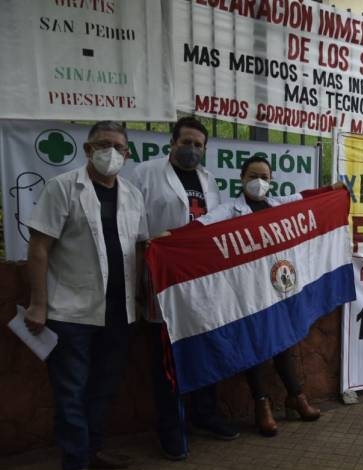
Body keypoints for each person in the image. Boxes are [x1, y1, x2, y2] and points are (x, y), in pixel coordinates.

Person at [24, 121, 148, 470]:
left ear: (127, 153)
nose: (111, 152)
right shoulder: (62, 187)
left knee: (103, 390)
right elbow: (38, 248)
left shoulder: (133, 195)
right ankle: (75, 462)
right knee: (71, 395)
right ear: (87, 149)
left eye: (118, 147)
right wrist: (38, 303)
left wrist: (138, 298)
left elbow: (138, 251)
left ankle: (91, 452)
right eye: (102, 144)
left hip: (119, 313)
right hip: (70, 315)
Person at [195, 155, 346, 437]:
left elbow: (306, 200)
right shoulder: (230, 210)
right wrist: (170, 238)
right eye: (253, 176)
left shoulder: (278, 206)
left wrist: (331, 191)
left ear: (272, 181)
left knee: (282, 343)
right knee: (254, 346)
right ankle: (261, 404)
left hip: (277, 289)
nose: (259, 182)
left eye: (265, 177)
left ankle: (296, 396)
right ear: (242, 178)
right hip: (247, 294)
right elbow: (202, 227)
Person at [129, 116, 238, 460]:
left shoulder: (208, 180)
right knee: (168, 360)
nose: (191, 149)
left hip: (202, 282)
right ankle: (171, 428)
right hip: (162, 280)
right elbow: (131, 224)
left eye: (198, 145)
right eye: (185, 142)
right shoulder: (144, 174)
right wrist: (146, 246)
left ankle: (205, 415)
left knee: (204, 351)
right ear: (171, 143)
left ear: (205, 149)